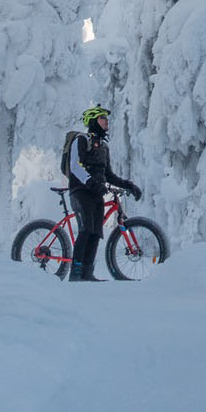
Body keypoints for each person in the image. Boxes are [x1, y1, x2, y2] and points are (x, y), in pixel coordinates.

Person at [64, 104, 142, 282]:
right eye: (102, 118)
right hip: (80, 191)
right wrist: (91, 182)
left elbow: (108, 174)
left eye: (106, 119)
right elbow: (76, 166)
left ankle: (87, 273)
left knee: (95, 232)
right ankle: (75, 274)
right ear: (93, 121)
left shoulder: (103, 147)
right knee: (85, 230)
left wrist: (129, 185)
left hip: (96, 193)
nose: (106, 122)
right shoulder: (81, 139)